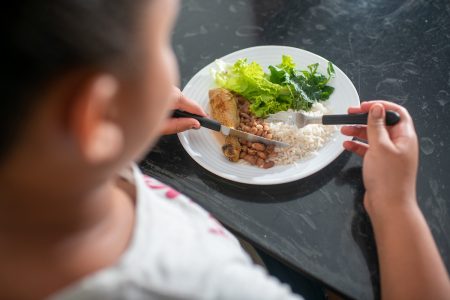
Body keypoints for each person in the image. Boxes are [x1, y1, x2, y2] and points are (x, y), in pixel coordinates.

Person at [0, 1, 448, 300]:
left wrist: (119, 140)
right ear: (96, 114)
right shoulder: (214, 286)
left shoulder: (41, 183)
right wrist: (393, 204)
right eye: (162, 41)